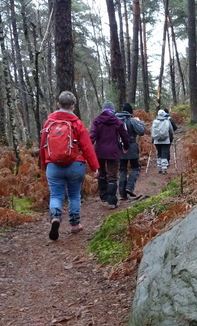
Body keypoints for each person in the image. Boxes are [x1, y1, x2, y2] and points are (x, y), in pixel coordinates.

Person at [40, 91, 99, 241]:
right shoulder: (77, 123)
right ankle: (75, 224)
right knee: (74, 194)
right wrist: (95, 166)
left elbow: (43, 146)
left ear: (58, 104)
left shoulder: (49, 123)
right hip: (75, 164)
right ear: (73, 106)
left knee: (56, 195)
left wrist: (44, 164)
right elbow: (87, 146)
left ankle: (55, 217)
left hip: (53, 165)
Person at [90, 100, 130, 209]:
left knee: (102, 173)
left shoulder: (97, 121)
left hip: (99, 152)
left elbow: (92, 136)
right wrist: (126, 146)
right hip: (113, 152)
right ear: (113, 110)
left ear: (103, 109)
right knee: (112, 176)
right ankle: (112, 202)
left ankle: (104, 196)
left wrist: (87, 149)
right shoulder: (117, 121)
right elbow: (125, 136)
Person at [115, 103, 145, 200]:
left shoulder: (115, 120)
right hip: (131, 147)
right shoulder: (132, 120)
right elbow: (141, 131)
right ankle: (130, 187)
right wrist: (139, 122)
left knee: (122, 170)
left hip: (119, 148)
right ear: (130, 112)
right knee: (136, 167)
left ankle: (122, 194)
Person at [151, 109, 174, 174]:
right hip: (166, 141)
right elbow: (171, 131)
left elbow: (152, 131)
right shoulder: (167, 121)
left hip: (157, 140)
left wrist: (152, 139)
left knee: (159, 153)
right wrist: (171, 138)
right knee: (164, 153)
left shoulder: (154, 122)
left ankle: (159, 167)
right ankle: (164, 168)